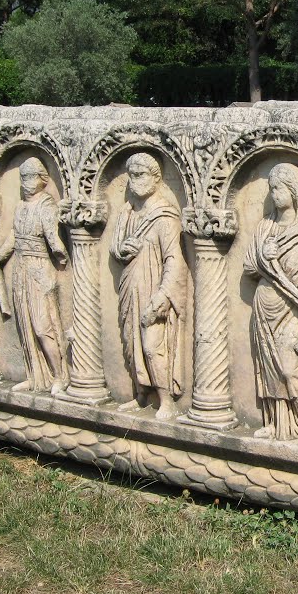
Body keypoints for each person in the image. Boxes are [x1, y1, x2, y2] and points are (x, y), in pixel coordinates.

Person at [243, 163, 298, 449]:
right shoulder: (264, 227)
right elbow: (248, 267)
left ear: (294, 191)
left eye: (279, 188)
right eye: (271, 188)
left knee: (291, 369)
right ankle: (275, 423)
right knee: (268, 370)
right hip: (264, 306)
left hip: (292, 307)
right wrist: (262, 257)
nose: (274, 194)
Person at [111, 153, 184, 419]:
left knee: (153, 346)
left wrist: (164, 295)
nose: (133, 182)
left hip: (153, 288)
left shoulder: (164, 215)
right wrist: (122, 249)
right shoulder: (128, 212)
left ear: (156, 178)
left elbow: (174, 259)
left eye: (140, 175)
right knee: (132, 343)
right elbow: (115, 248)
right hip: (131, 285)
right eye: (130, 176)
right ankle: (141, 395)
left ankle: (166, 400)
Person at [0, 157, 69, 394]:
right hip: (21, 270)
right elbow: (15, 235)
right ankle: (35, 376)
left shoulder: (46, 205)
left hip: (39, 270)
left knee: (42, 326)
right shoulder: (20, 207)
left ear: (43, 180)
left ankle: (59, 375)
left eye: (32, 177)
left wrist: (61, 254)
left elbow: (53, 238)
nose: (27, 182)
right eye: (23, 177)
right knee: (24, 325)